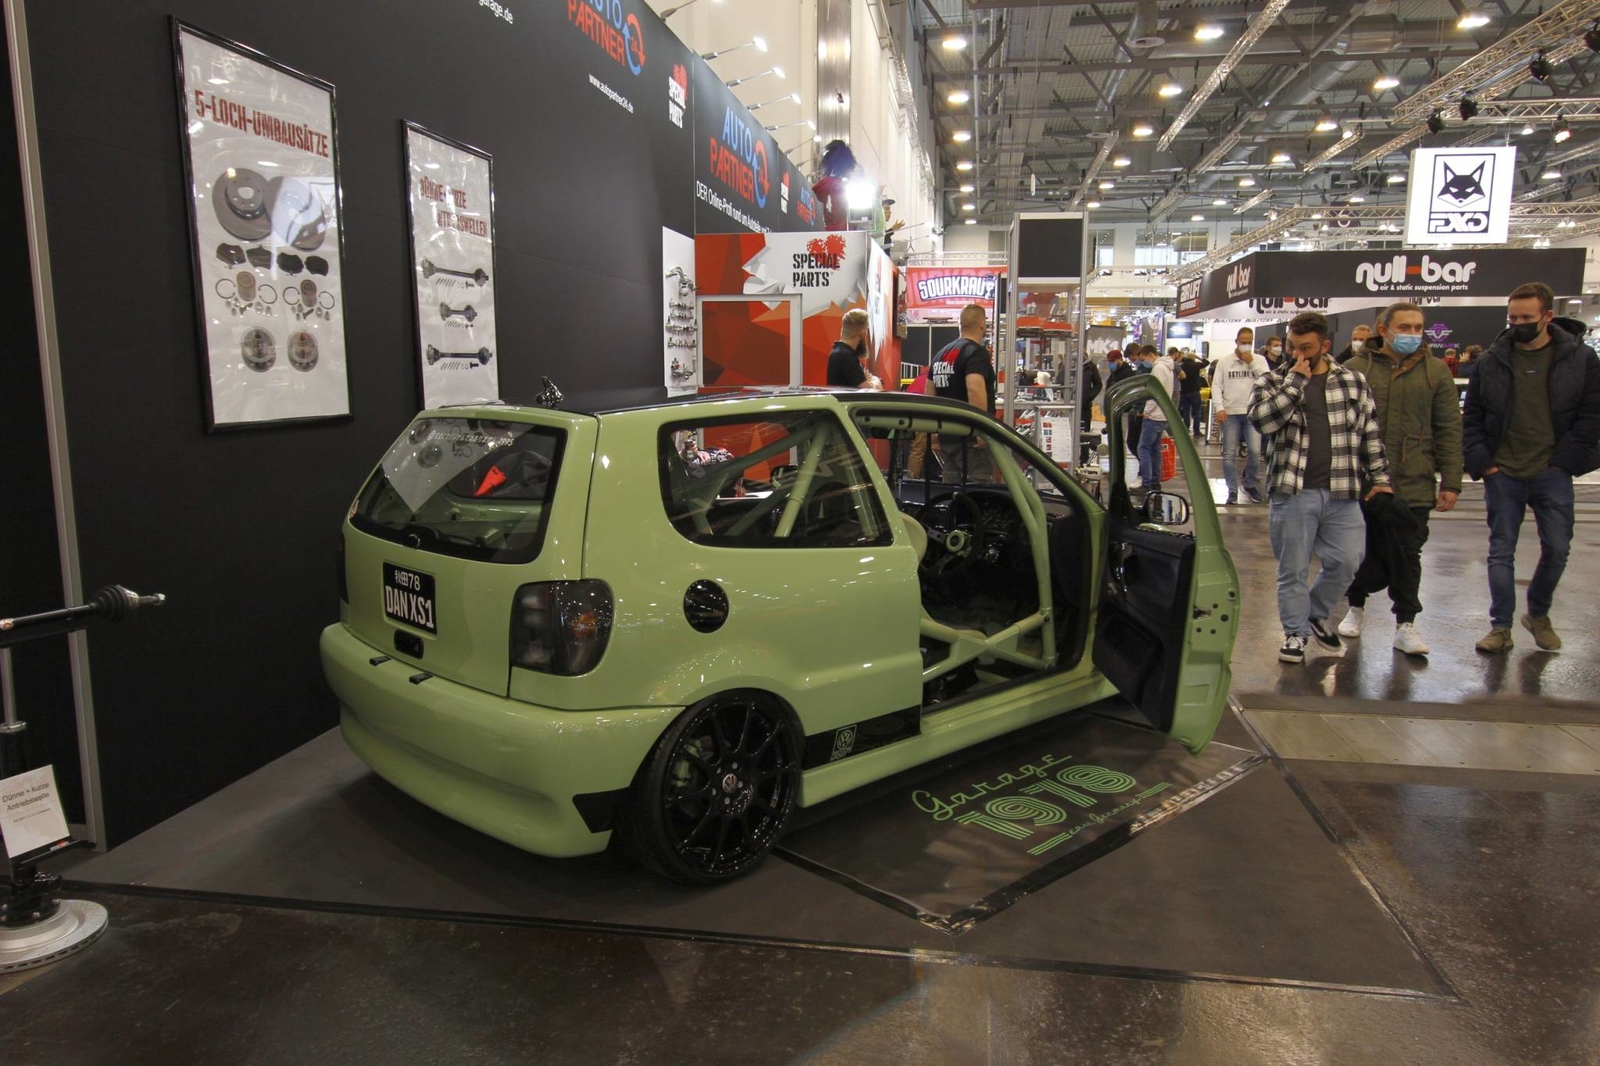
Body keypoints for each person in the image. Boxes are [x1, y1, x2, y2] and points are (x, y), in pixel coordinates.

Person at [1463, 282, 1600, 653]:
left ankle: (1538, 614)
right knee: (1500, 551)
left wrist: (1564, 462)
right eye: (1512, 318)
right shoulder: (1491, 360)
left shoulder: (1581, 359)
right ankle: (1500, 627)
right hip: (1502, 472)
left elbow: (1592, 415)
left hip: (1552, 471)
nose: (1518, 324)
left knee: (1557, 548)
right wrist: (1485, 465)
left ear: (1547, 316)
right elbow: (1472, 416)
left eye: (1526, 317)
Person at [1249, 311, 1393, 665]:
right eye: (1292, 346)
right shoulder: (1272, 381)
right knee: (1292, 569)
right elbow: (1263, 422)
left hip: (1343, 490)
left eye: (1306, 348)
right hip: (1292, 491)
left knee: (1347, 561)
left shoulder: (1352, 382)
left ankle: (1314, 612)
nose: (1297, 354)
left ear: (1325, 345)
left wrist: (1380, 478)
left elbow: (1369, 432)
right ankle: (1295, 633)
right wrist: (1295, 383)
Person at [1338, 302, 1463, 656]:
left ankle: (1406, 623)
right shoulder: (1355, 369)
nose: (1412, 334)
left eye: (1417, 328)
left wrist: (1451, 481)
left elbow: (1449, 428)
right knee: (1359, 550)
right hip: (1362, 480)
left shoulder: (1436, 372)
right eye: (1404, 327)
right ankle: (1355, 607)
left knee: (1409, 552)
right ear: (1384, 329)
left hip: (1415, 479)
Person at [930, 303, 998, 484]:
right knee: (979, 489)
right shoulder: (976, 353)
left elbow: (929, 395)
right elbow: (974, 389)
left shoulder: (941, 354)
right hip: (969, 439)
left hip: (947, 436)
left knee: (951, 489)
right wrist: (981, 429)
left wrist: (934, 433)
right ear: (982, 324)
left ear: (960, 324)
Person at [1209, 328, 1268, 504]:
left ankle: (1249, 483)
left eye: (1249, 342)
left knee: (1255, 451)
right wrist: (1219, 407)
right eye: (1243, 342)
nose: (1246, 345)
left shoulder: (1260, 360)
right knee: (1229, 454)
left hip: (1252, 413)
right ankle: (1232, 490)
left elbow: (1266, 380)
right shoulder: (1225, 362)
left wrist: (1252, 363)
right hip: (1230, 413)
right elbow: (1216, 385)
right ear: (1236, 341)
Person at [1136, 347, 1179, 492]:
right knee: (1155, 449)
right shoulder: (1168, 367)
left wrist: (1146, 411)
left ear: (1150, 355)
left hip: (1154, 415)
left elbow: (1154, 393)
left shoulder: (1158, 368)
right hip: (1163, 414)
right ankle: (1155, 481)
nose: (1144, 362)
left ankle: (1147, 483)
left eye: (1144, 359)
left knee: (1143, 449)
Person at [825, 309, 881, 389]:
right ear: (863, 333)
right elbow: (870, 391)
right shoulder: (846, 357)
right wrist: (878, 381)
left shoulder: (838, 353)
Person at [1075, 351, 1104, 464]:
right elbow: (1061, 379)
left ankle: (1084, 460)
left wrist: (1089, 396)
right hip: (1071, 405)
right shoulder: (1070, 364)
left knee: (1084, 434)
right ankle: (1070, 457)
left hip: (1084, 407)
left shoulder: (1091, 367)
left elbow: (1098, 384)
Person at [1177, 348, 1206, 438]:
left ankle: (1186, 429)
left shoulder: (1181, 366)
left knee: (1186, 412)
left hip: (1184, 392)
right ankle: (1196, 431)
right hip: (1194, 391)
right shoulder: (1196, 365)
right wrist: (1198, 357)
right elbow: (1207, 362)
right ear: (1193, 358)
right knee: (1197, 412)